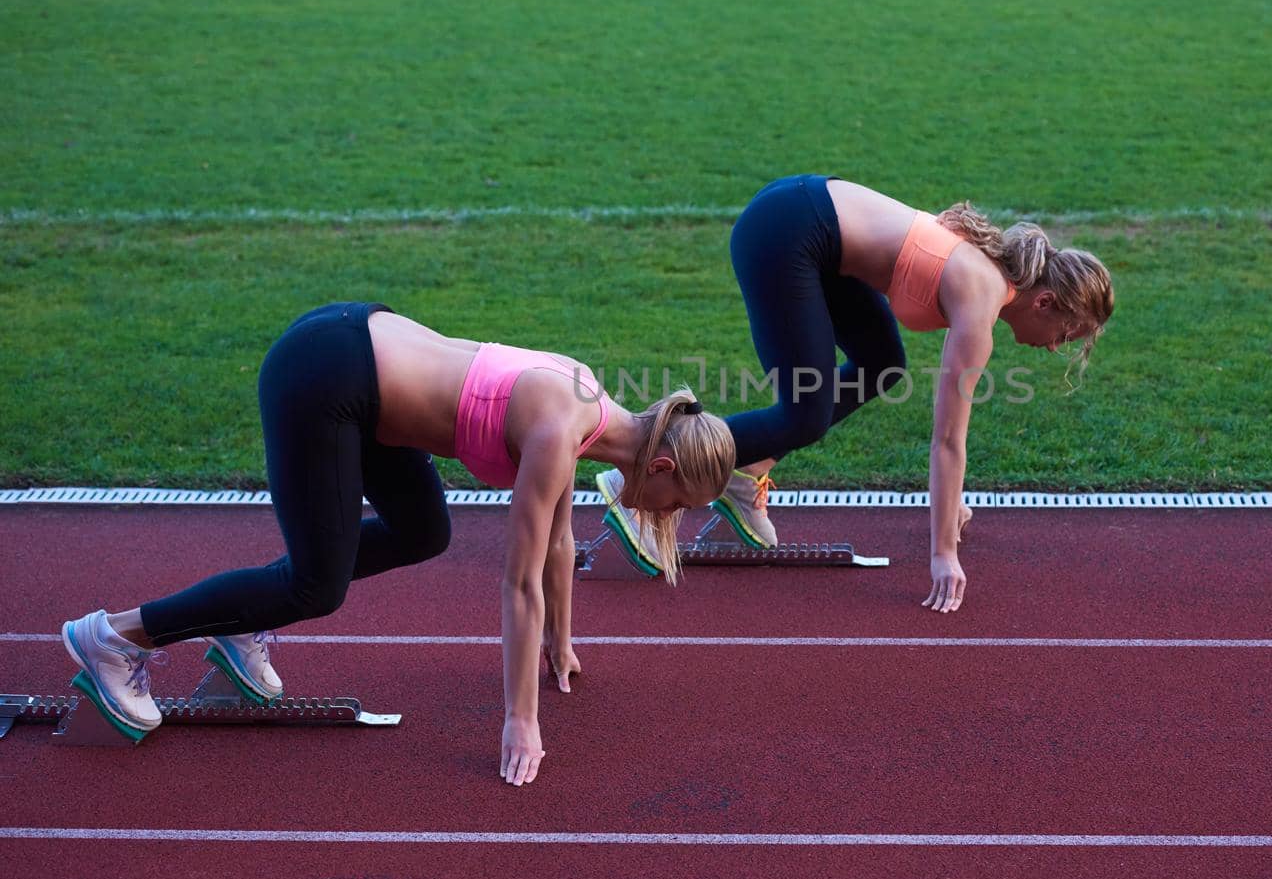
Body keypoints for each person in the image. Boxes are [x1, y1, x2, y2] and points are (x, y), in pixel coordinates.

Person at [60, 302, 734, 786]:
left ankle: (243, 621)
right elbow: (520, 582)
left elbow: (558, 541)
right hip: (327, 379)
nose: (667, 517)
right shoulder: (560, 431)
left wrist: (560, 643)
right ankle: (118, 636)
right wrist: (520, 720)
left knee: (423, 530)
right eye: (678, 504)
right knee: (313, 587)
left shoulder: (588, 400)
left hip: (360, 353)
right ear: (663, 468)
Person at [599, 175, 1112, 614]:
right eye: (1065, 335)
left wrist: (951, 506)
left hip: (809, 228)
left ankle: (744, 472)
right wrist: (942, 553)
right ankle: (642, 469)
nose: (1053, 348)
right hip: (786, 233)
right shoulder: (980, 299)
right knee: (804, 415)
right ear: (1044, 302)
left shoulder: (990, 274)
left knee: (881, 365)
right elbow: (948, 441)